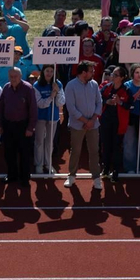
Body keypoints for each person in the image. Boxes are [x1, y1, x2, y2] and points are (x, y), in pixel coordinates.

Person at [63, 61, 102, 190]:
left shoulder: (94, 84)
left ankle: (96, 178)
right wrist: (86, 121)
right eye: (91, 71)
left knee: (94, 151)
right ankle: (71, 175)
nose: (93, 73)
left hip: (93, 125)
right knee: (75, 151)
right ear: (84, 72)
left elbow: (99, 102)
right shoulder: (71, 85)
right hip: (77, 125)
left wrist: (92, 120)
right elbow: (71, 108)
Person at [0, 66, 37, 187]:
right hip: (8, 125)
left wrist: (30, 128)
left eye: (15, 76)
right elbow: (1, 107)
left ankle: (24, 178)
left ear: (20, 76)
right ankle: (12, 176)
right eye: (11, 76)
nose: (13, 78)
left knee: (24, 153)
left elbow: (33, 110)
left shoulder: (28, 89)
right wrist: (0, 124)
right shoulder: (6, 88)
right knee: (9, 152)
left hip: (23, 126)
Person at [31, 63, 62, 176]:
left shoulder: (58, 84)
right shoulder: (37, 85)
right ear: (43, 72)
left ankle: (48, 164)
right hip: (41, 117)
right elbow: (40, 104)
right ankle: (39, 164)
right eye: (47, 71)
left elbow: (61, 102)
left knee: (50, 142)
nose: (49, 73)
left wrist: (57, 92)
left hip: (53, 117)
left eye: (51, 71)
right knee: (39, 141)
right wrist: (51, 96)